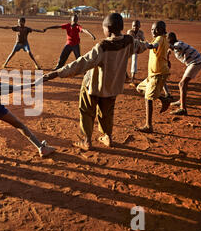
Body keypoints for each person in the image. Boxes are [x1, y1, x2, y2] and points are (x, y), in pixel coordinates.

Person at [43, 13, 150, 151]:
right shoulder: (129, 41)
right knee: (107, 113)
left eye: (104, 28)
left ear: (109, 30)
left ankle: (86, 140)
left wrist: (58, 72)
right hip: (112, 87)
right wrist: (151, 45)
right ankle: (108, 137)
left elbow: (82, 62)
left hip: (92, 86)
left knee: (86, 111)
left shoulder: (103, 46)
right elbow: (140, 46)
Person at [135, 21, 172, 133]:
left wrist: (146, 45)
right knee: (140, 88)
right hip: (153, 74)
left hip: (157, 74)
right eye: (152, 29)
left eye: (156, 29)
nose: (153, 31)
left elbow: (154, 45)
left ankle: (148, 126)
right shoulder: (161, 39)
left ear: (162, 30)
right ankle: (164, 99)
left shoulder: (160, 38)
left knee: (148, 98)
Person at [167, 32, 201, 115]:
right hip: (193, 62)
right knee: (183, 83)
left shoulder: (178, 44)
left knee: (182, 84)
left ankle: (183, 109)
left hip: (196, 62)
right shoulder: (175, 45)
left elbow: (176, 47)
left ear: (170, 41)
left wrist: (167, 45)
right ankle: (181, 101)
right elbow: (171, 49)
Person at [126, 20, 145, 87]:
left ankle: (132, 79)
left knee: (134, 60)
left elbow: (143, 40)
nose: (135, 27)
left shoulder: (141, 33)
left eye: (136, 26)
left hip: (135, 49)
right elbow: (128, 41)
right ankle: (126, 76)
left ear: (139, 26)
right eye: (133, 26)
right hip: (127, 49)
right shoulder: (130, 32)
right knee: (123, 61)